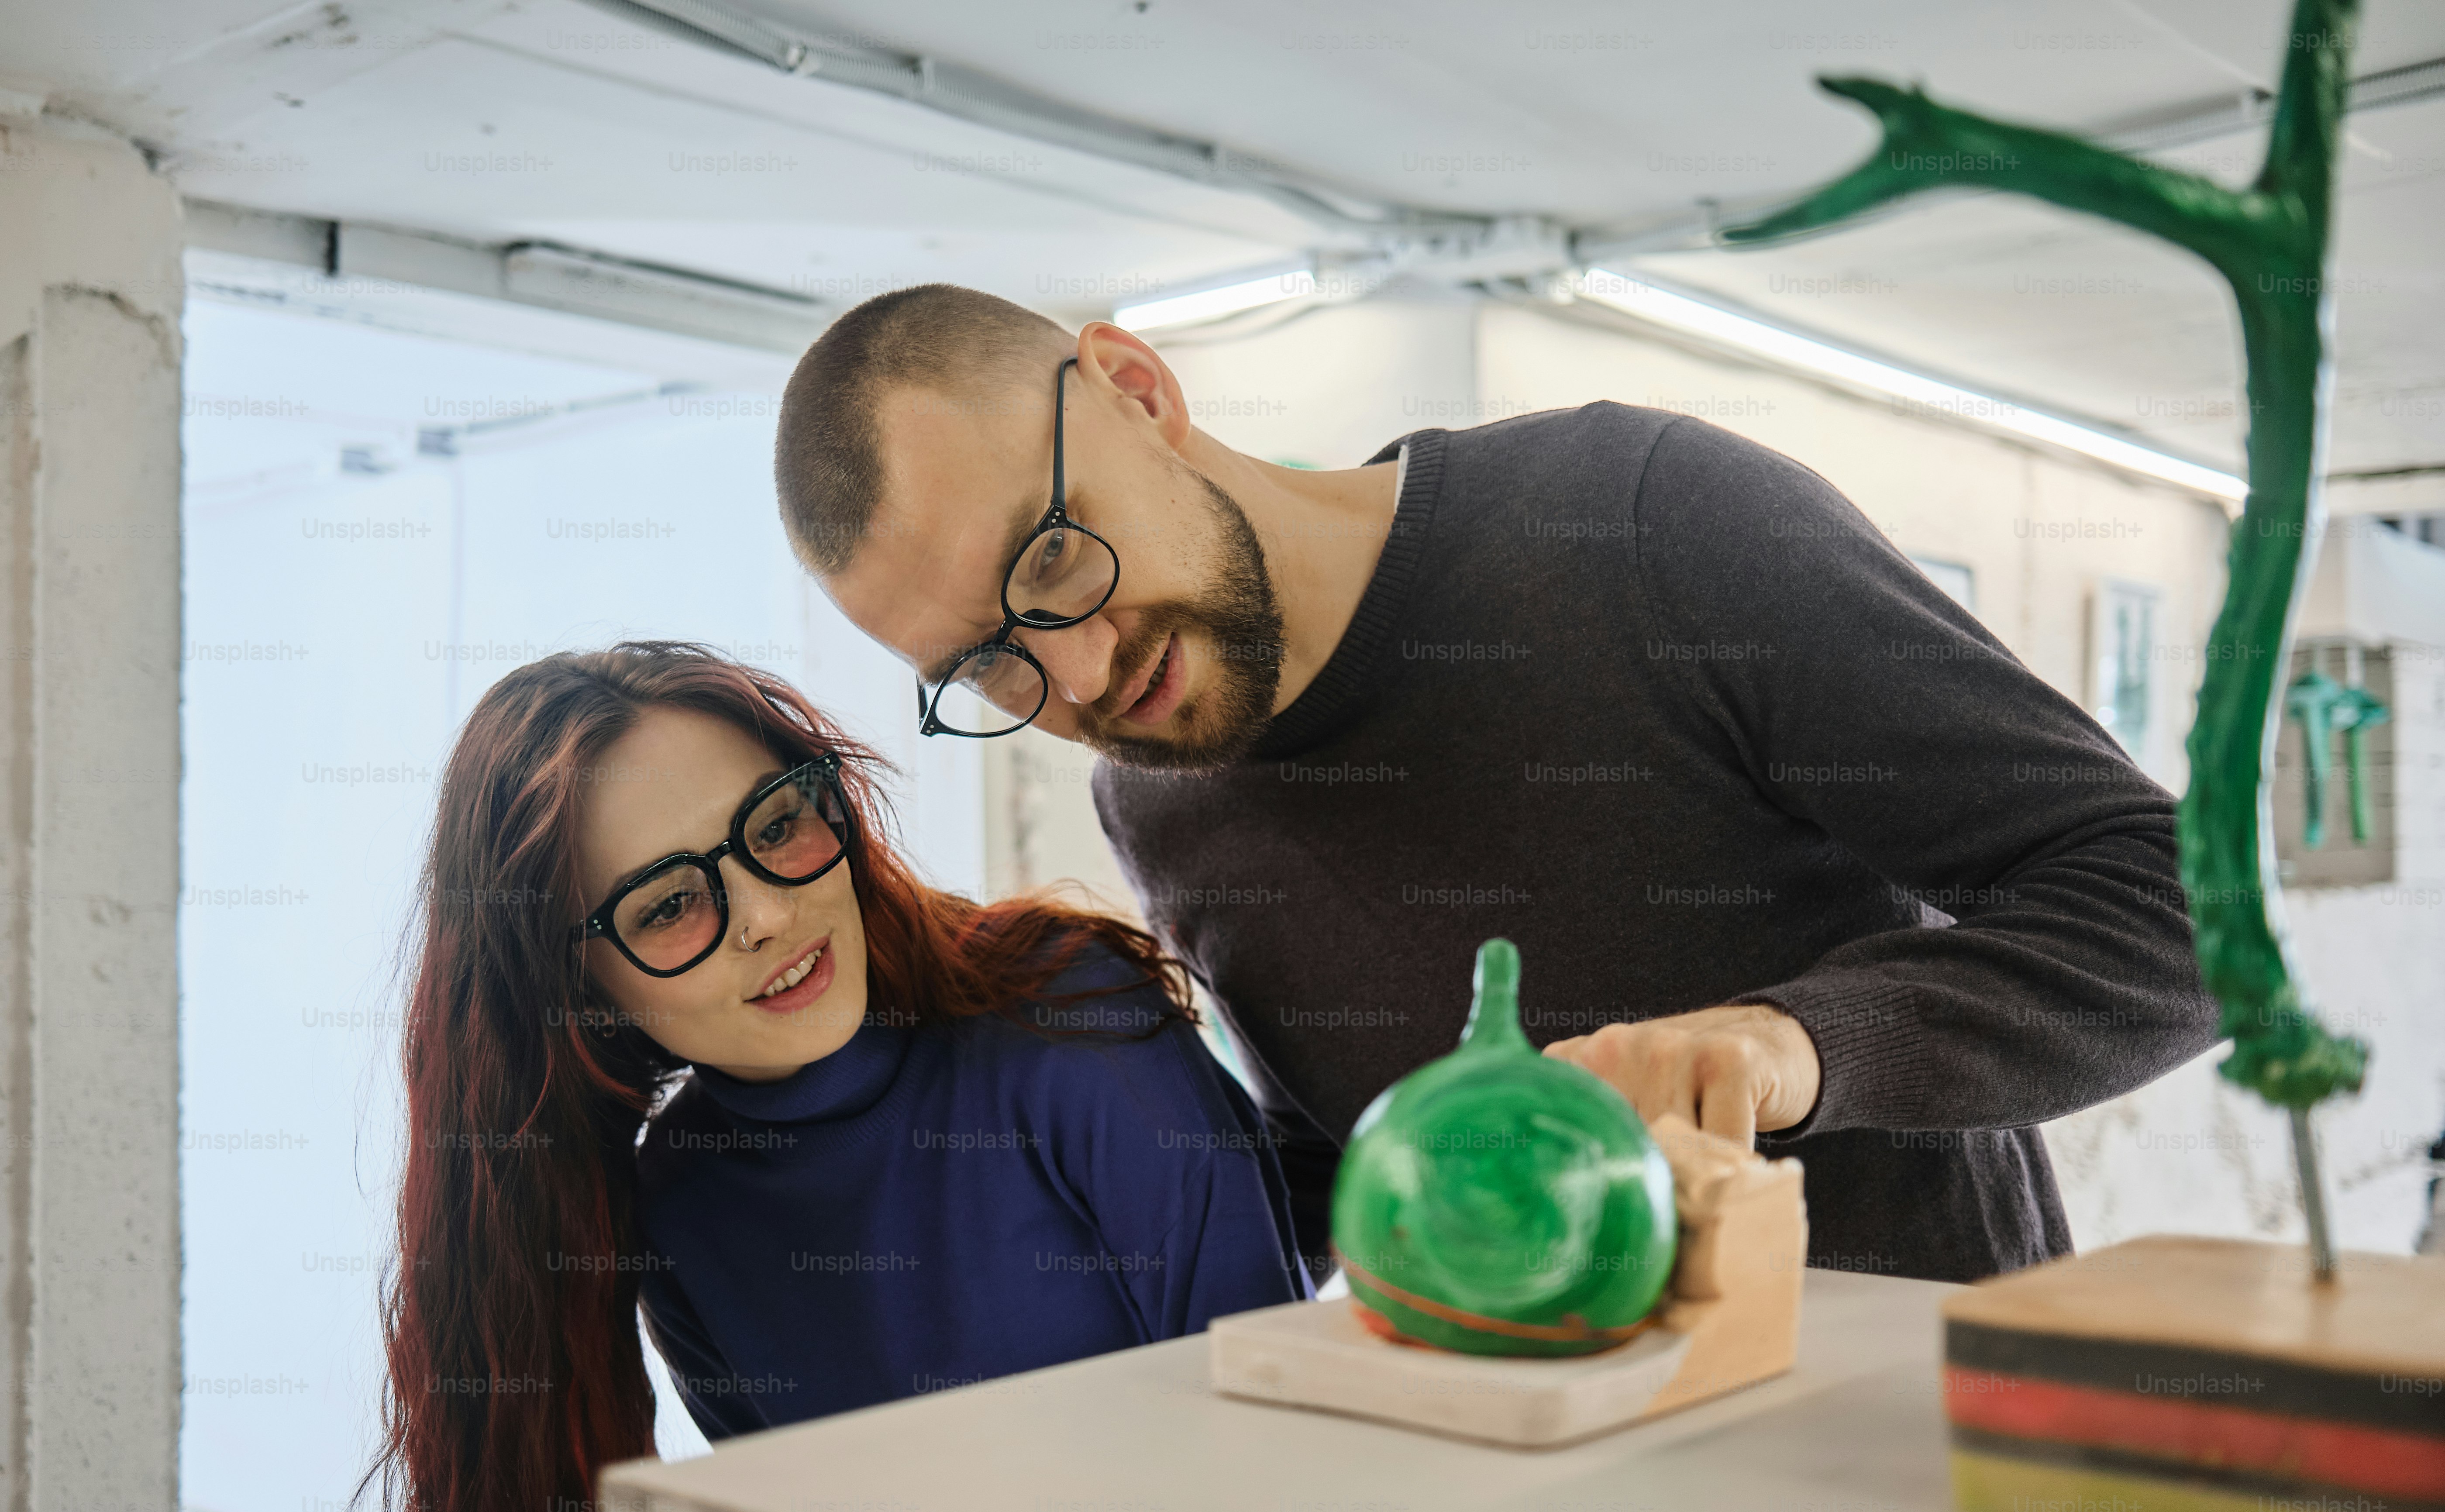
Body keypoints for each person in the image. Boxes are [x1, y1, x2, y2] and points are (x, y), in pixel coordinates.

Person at [777, 282, 2223, 1291]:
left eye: (1052, 556)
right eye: (988, 663)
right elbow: (1344, 1141)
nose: (1080, 673)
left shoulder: (1643, 520)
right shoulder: (1159, 793)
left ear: (1139, 392)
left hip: (1904, 1468)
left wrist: (1791, 1044)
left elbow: (2184, 914)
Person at [368, 641, 1304, 1512]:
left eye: (775, 824)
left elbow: (1274, 1457)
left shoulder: (1069, 1018)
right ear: (579, 989)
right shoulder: (677, 1209)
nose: (771, 912)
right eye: (672, 905)